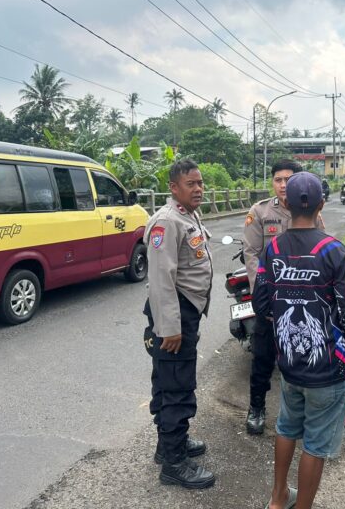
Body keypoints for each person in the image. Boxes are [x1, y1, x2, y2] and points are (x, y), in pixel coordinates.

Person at [252, 171, 345, 509]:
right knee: (315, 444)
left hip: (289, 366)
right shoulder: (334, 251)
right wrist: (342, 342)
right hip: (326, 367)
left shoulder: (271, 249)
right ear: (322, 205)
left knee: (287, 428)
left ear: (286, 202)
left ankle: (277, 498)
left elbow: (260, 303)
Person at [143, 159, 215, 489]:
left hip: (185, 311)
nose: (199, 188)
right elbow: (160, 279)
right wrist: (169, 328)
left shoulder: (188, 215)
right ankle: (173, 464)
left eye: (200, 183)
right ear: (174, 188)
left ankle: (168, 445)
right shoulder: (166, 222)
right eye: (191, 184)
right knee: (176, 388)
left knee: (169, 380)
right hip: (175, 317)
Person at [243, 159, 325, 435]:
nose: (282, 185)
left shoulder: (309, 210)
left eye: (288, 180)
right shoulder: (260, 211)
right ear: (272, 182)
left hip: (303, 299)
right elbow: (252, 254)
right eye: (278, 179)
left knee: (303, 354)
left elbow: (320, 250)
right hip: (271, 301)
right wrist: (262, 293)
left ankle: (300, 413)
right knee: (263, 355)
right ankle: (256, 408)